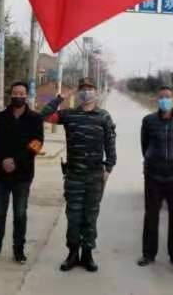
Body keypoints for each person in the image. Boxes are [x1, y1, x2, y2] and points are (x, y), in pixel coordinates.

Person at [41, 77, 116, 273]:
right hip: (74, 175)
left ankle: (87, 254)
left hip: (94, 176)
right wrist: (60, 98)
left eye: (90, 88)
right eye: (83, 89)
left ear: (95, 92)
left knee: (90, 217)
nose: (86, 92)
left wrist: (108, 168)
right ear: (79, 92)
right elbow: (44, 115)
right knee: (73, 217)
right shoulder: (69, 115)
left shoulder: (103, 116)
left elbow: (110, 144)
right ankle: (73, 254)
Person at [0, 82, 44, 264]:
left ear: (27, 95)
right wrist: (2, 160)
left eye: (22, 93)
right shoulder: (1, 117)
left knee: (20, 214)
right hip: (1, 174)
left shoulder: (35, 118)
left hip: (23, 175)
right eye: (15, 93)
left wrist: (16, 161)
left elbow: (37, 144)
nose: (18, 96)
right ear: (11, 95)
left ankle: (19, 250)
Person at [137, 86, 173, 270]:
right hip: (153, 176)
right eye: (161, 97)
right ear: (157, 100)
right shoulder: (148, 121)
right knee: (151, 215)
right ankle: (148, 254)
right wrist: (153, 161)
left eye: (167, 96)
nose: (164, 100)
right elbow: (144, 146)